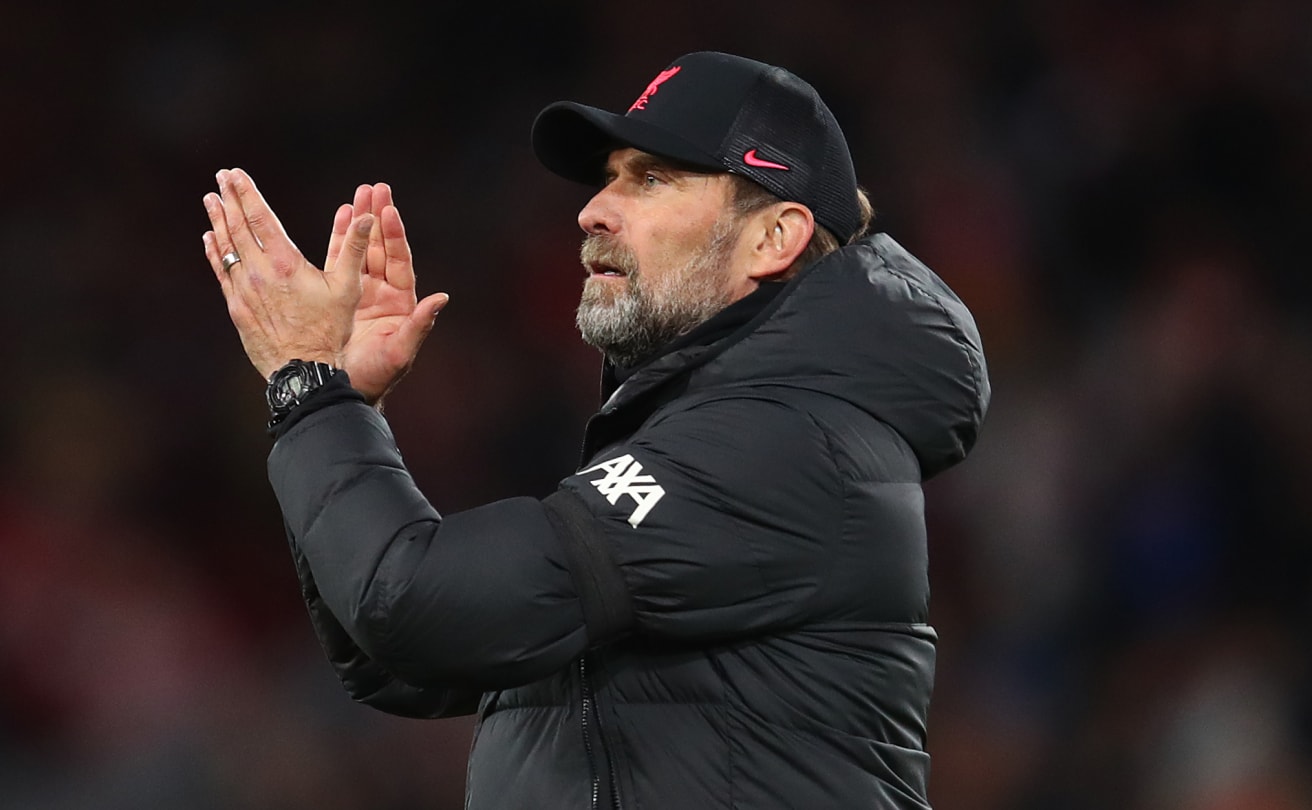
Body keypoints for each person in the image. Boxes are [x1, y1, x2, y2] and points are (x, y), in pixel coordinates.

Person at [200, 51, 989, 810]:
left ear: (773, 237)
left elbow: (417, 608)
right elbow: (403, 659)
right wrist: (346, 403)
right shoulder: (726, 428)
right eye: (610, 177)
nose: (592, 209)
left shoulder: (787, 441)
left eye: (652, 179)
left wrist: (310, 387)